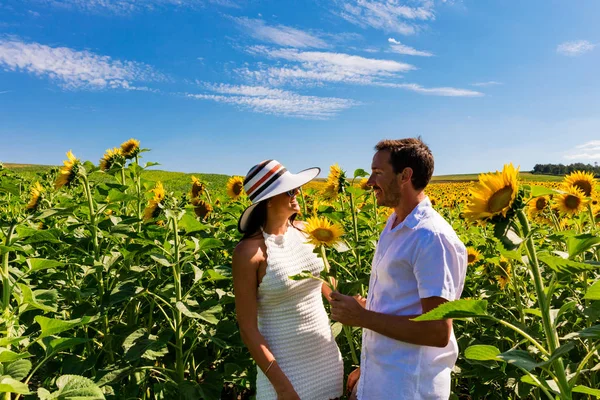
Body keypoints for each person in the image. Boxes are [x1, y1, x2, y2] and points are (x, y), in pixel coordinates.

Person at [329, 138, 467, 399]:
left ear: (405, 175)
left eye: (378, 173)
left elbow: (437, 331)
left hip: (410, 386)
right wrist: (367, 369)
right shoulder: (395, 225)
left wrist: (361, 317)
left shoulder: (431, 237)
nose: (370, 182)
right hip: (384, 379)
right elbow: (396, 307)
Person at [232, 159, 344, 400]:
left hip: (325, 360)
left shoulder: (306, 231)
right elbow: (248, 329)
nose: (298, 193)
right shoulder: (249, 253)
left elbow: (325, 280)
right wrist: (282, 387)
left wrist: (348, 301)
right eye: (290, 190)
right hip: (284, 371)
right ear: (269, 200)